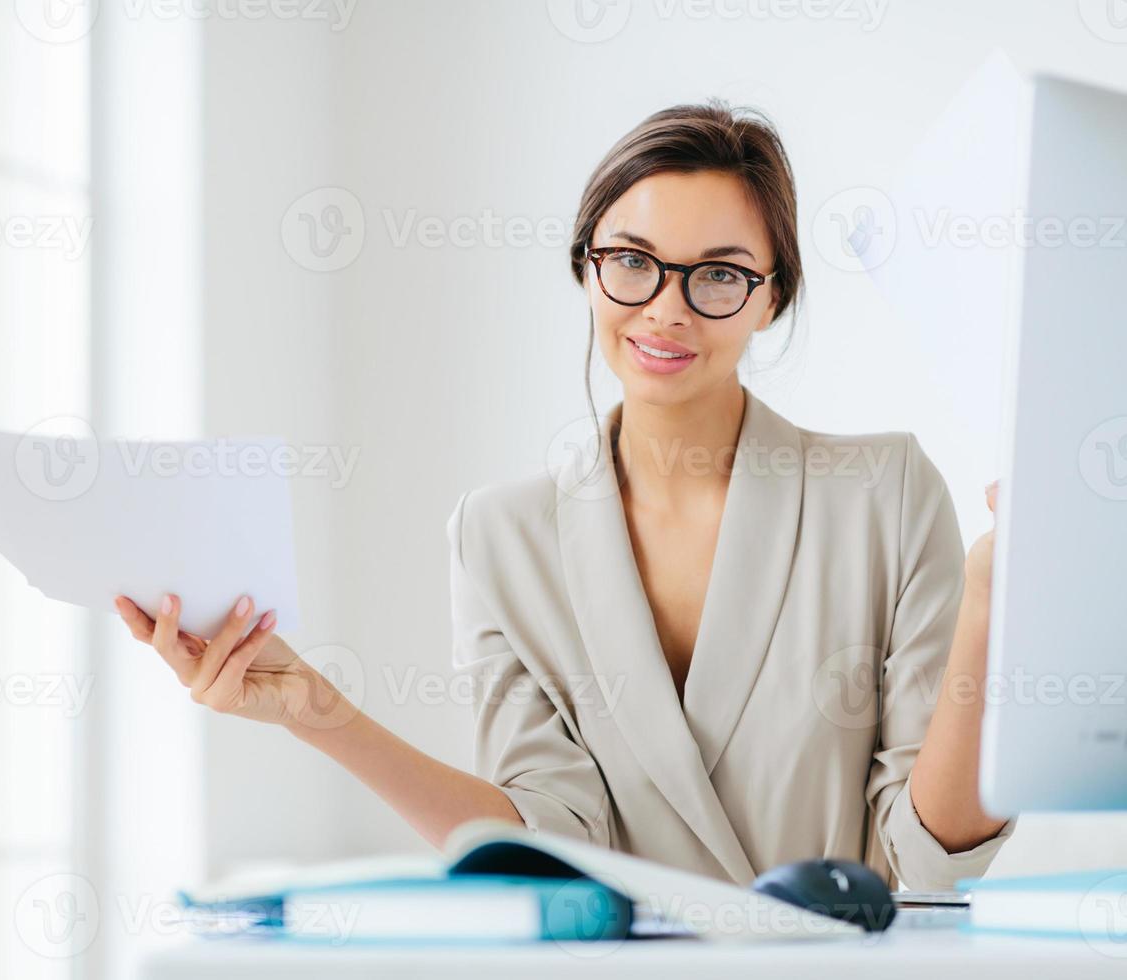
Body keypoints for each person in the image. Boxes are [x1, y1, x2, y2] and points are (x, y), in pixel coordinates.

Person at [113, 101, 1013, 890]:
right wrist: (319, 713)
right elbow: (546, 845)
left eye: (719, 274)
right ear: (586, 267)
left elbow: (928, 854)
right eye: (633, 260)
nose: (666, 308)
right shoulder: (498, 536)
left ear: (770, 300)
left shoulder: (883, 494)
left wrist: (986, 601)